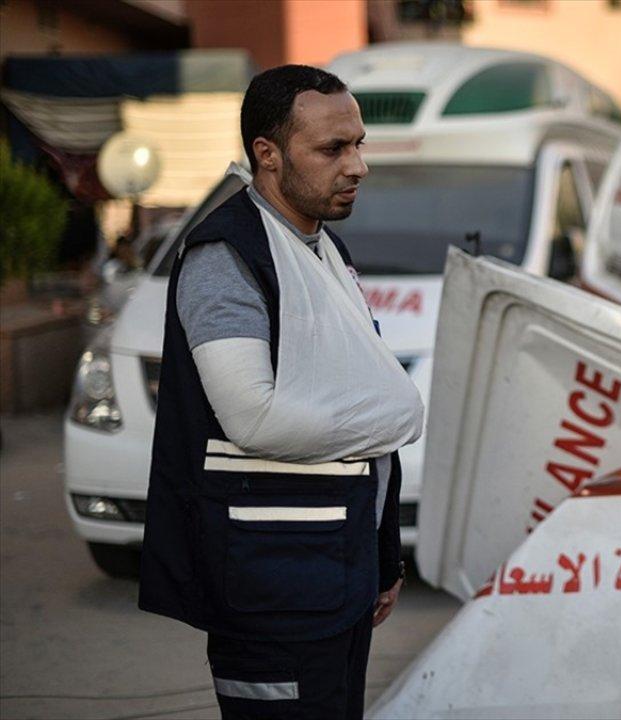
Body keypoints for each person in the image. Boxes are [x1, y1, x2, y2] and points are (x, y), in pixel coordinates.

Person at [138, 65, 424, 719]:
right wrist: (399, 415)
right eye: (332, 149)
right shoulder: (227, 259)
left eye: (359, 145)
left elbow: (357, 399)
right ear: (267, 154)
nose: (357, 166)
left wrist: (383, 557)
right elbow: (254, 417)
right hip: (272, 587)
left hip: (335, 574)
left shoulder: (325, 253)